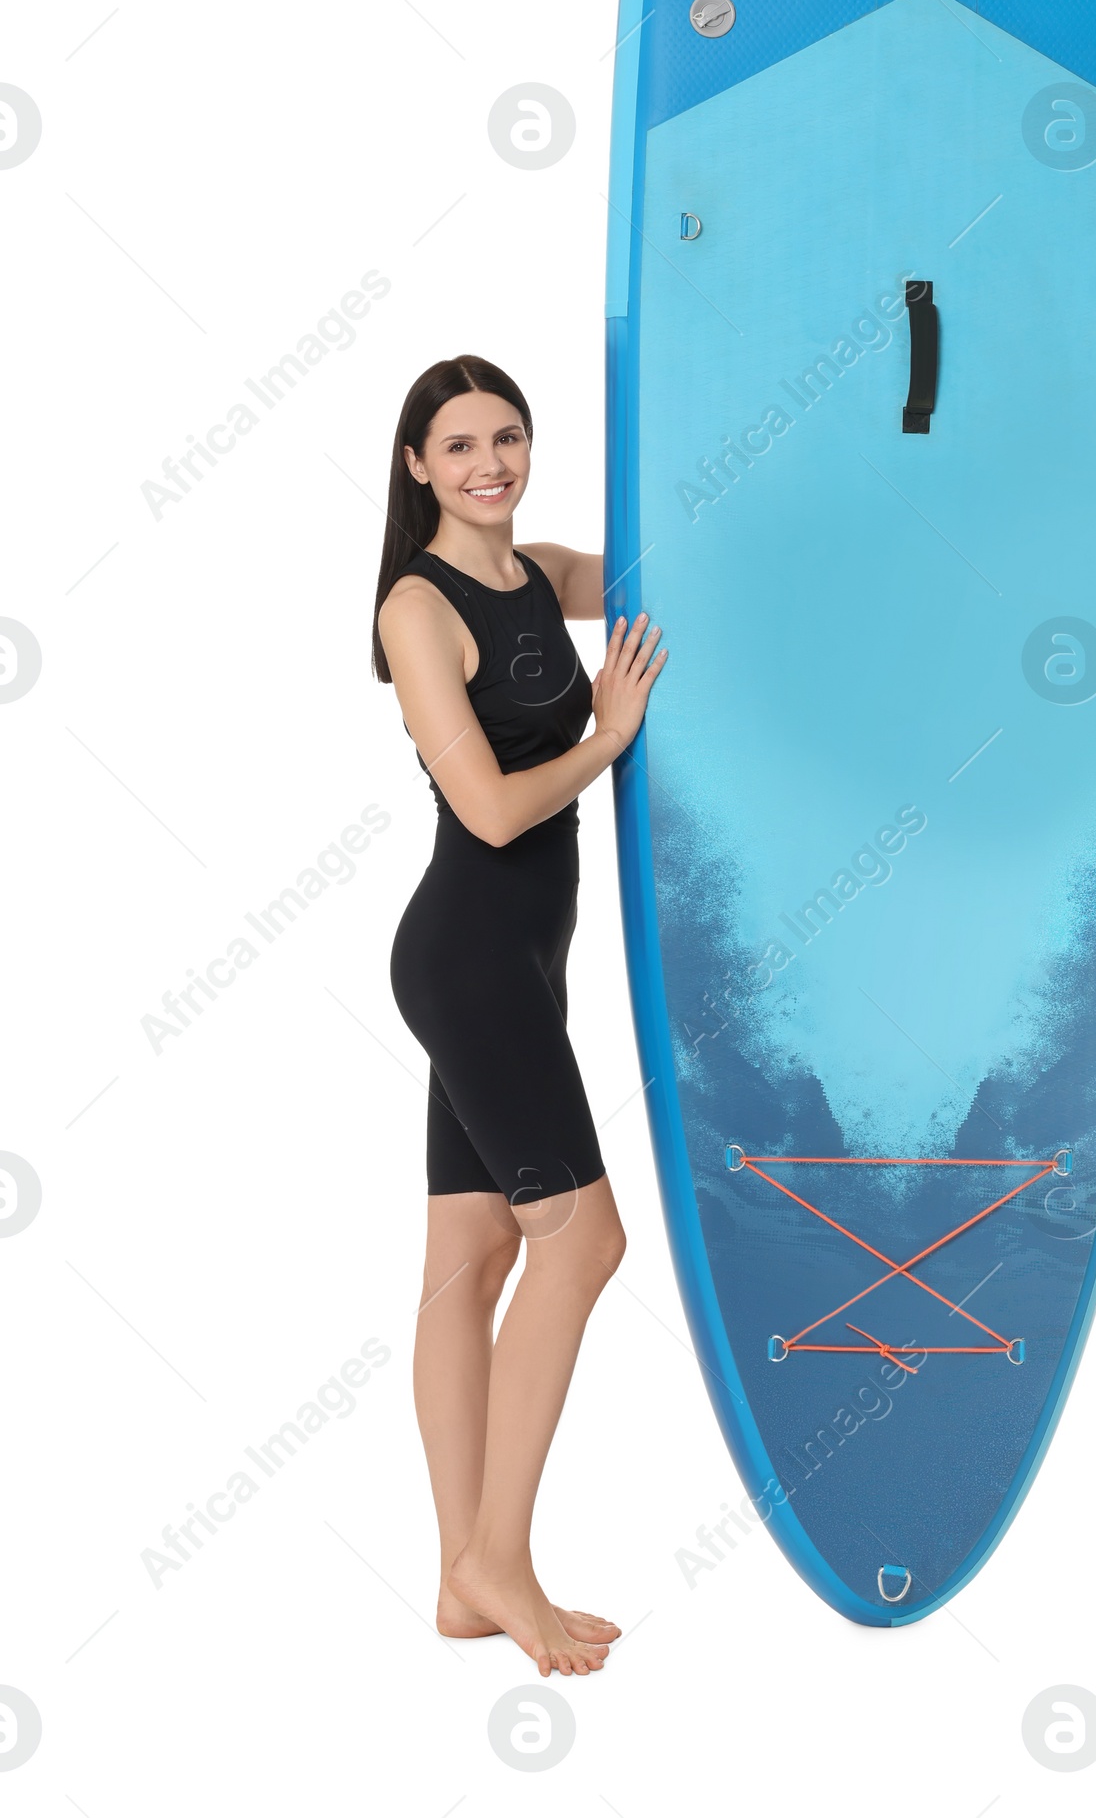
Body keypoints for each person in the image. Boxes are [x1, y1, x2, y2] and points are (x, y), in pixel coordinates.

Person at [375, 353, 665, 1675]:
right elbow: (490, 808)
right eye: (460, 446)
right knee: (584, 1241)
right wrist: (606, 740)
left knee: (476, 1252)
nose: (490, 463)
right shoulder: (417, 610)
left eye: (508, 437)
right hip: (471, 961)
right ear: (418, 468)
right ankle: (498, 1555)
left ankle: (457, 1586)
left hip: (520, 965)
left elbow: (674, 565)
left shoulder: (537, 575)